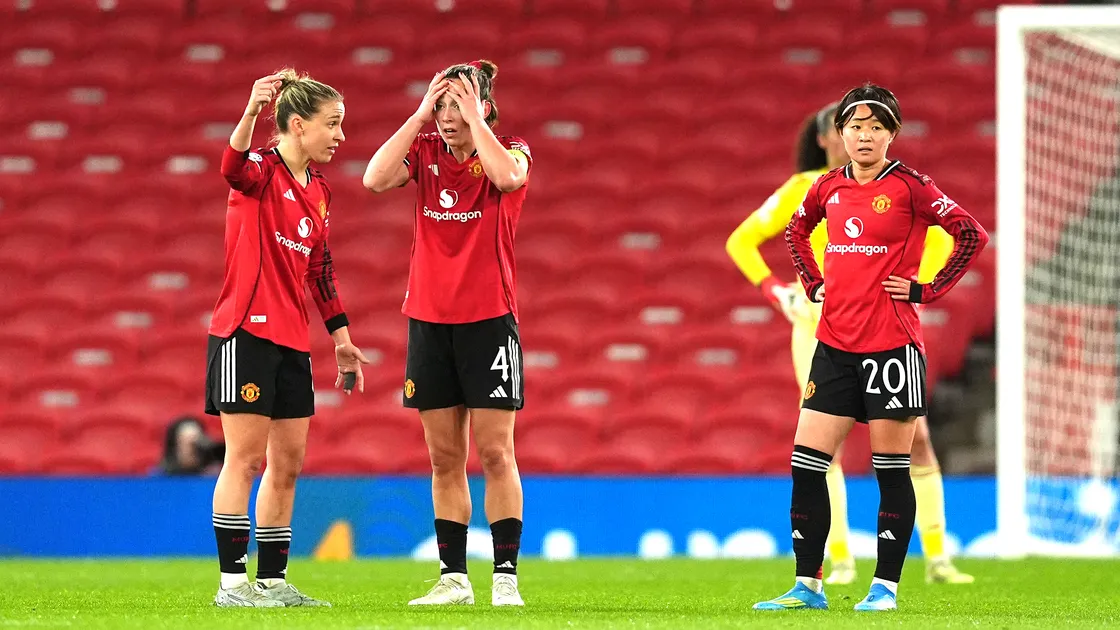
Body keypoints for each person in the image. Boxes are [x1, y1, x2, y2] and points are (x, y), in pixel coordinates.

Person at [753, 84, 989, 612]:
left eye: (876, 127)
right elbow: (796, 230)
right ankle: (807, 585)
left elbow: (970, 234)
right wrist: (812, 282)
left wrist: (929, 290)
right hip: (833, 343)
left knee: (890, 468)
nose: (864, 136)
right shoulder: (826, 187)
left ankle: (885, 588)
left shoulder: (911, 187)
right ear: (839, 134)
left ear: (892, 134)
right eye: (855, 126)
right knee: (807, 462)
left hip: (892, 346)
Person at [363, 59, 530, 607]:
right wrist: (417, 115)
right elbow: (374, 178)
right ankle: (454, 578)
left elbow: (508, 177)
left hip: (489, 321)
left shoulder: (513, 150)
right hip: (430, 323)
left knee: (497, 453)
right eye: (441, 104)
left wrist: (475, 117)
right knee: (443, 458)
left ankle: (504, 577)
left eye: (456, 103)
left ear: (482, 107)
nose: (446, 116)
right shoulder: (425, 152)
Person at [206, 69, 370, 608]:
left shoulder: (320, 192)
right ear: (297, 125)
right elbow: (230, 167)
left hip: (292, 342)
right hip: (243, 335)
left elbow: (320, 269)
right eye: (333, 124)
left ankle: (273, 582)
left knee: (288, 464)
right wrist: (251, 111)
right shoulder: (259, 171)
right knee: (245, 461)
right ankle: (233, 586)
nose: (341, 137)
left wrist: (340, 338)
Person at [157, 416, 224, 475]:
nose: (193, 449)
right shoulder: (158, 479)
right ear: (174, 446)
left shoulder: (214, 476)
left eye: (197, 441)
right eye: (186, 442)